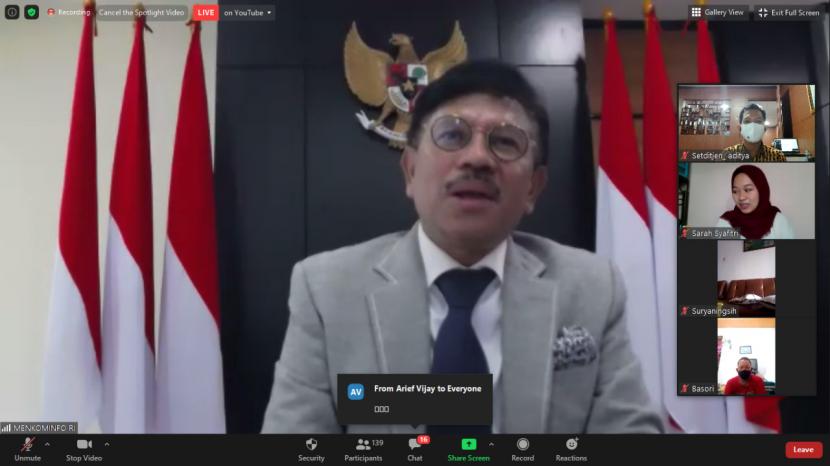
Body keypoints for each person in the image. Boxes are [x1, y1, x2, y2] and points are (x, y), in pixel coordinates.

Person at [261, 60, 662, 434]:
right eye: (453, 135)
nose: (477, 158)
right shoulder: (326, 289)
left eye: (505, 142)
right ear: (411, 170)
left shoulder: (591, 288)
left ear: (533, 188)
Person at [715, 164, 795, 239]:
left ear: (761, 190)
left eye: (748, 189)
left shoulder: (778, 221)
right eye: (735, 191)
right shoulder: (725, 222)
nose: (741, 197)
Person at [722, 103, 787, 162]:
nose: (753, 126)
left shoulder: (778, 156)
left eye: (758, 121)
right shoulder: (727, 154)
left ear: (764, 129)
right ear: (740, 128)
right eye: (747, 121)